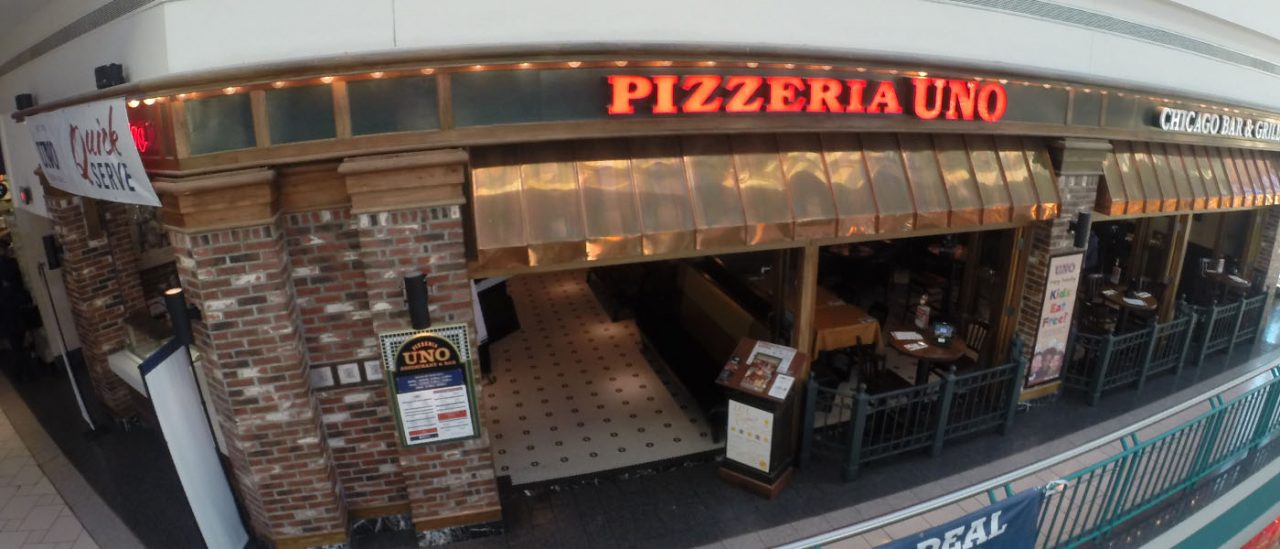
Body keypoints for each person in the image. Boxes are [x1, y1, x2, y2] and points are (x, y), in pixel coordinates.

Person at [0, 238, 34, 380]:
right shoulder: (11, 264)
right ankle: (24, 369)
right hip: (15, 306)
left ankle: (20, 370)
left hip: (5, 309)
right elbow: (18, 283)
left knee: (15, 341)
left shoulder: (8, 264)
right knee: (19, 337)